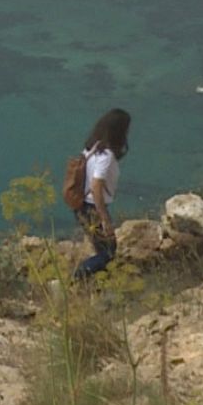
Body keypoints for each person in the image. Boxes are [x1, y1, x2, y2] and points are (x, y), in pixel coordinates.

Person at [73, 108, 131, 280]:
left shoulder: (91, 148)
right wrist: (104, 218)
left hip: (81, 206)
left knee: (103, 249)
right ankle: (75, 279)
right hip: (92, 208)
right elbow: (96, 184)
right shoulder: (106, 155)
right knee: (108, 253)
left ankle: (98, 286)